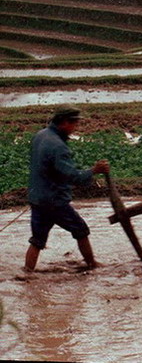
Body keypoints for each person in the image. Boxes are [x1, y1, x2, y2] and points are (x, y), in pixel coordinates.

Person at [24, 104, 109, 272]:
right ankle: (92, 264)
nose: (75, 128)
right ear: (63, 122)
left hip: (37, 198)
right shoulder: (58, 146)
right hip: (54, 201)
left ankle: (27, 273)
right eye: (74, 123)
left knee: (37, 240)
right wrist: (94, 171)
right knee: (81, 230)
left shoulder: (40, 135)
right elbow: (73, 176)